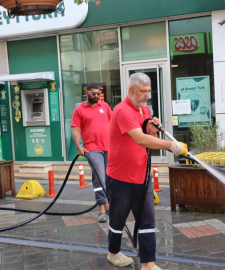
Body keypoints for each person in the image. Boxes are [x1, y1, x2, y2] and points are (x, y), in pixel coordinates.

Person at [106, 73, 188, 270]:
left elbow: (144, 134)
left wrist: (150, 128)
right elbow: (140, 139)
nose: (146, 95)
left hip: (142, 175)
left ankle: (148, 264)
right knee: (118, 218)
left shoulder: (145, 109)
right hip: (120, 177)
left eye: (148, 91)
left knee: (147, 219)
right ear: (131, 90)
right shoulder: (122, 110)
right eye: (142, 91)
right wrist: (171, 146)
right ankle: (113, 253)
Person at [71, 82, 112, 223]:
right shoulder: (79, 110)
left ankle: (108, 204)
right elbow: (75, 130)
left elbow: (113, 124)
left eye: (98, 93)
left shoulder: (105, 106)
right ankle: (102, 208)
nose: (96, 96)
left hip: (109, 147)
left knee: (109, 178)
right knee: (99, 176)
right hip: (92, 148)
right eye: (93, 93)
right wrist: (78, 147)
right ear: (86, 93)